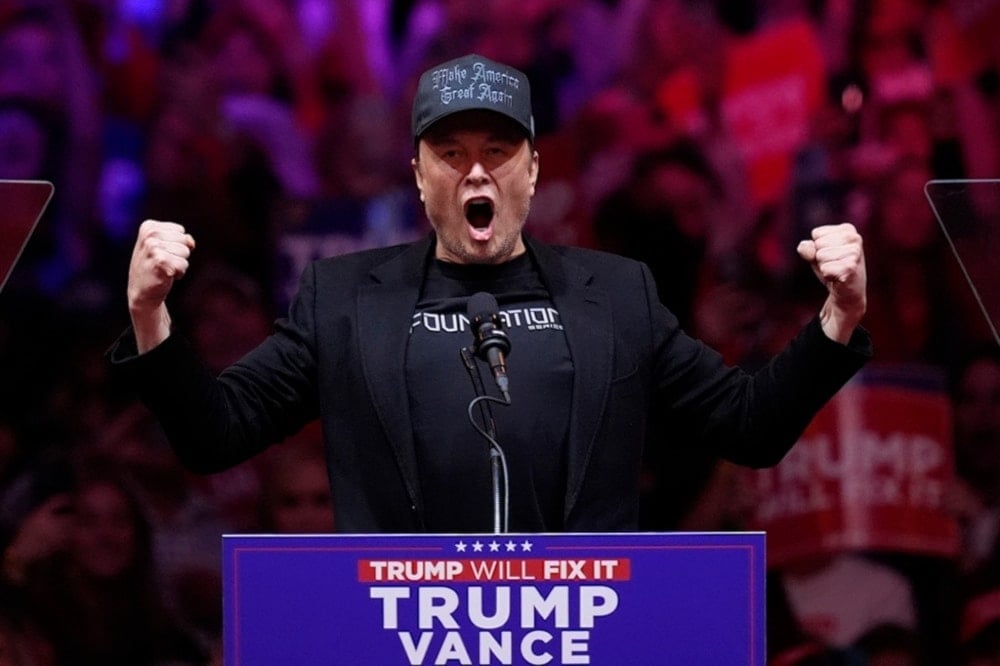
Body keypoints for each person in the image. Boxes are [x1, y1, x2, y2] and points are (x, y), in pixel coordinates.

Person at [108, 53, 871, 534]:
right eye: (450, 153)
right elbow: (215, 437)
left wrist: (837, 318)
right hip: (397, 638)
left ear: (533, 171)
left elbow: (751, 427)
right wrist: (150, 317)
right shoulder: (343, 299)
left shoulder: (617, 294)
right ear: (417, 174)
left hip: (577, 636)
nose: (476, 172)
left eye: (499, 151)